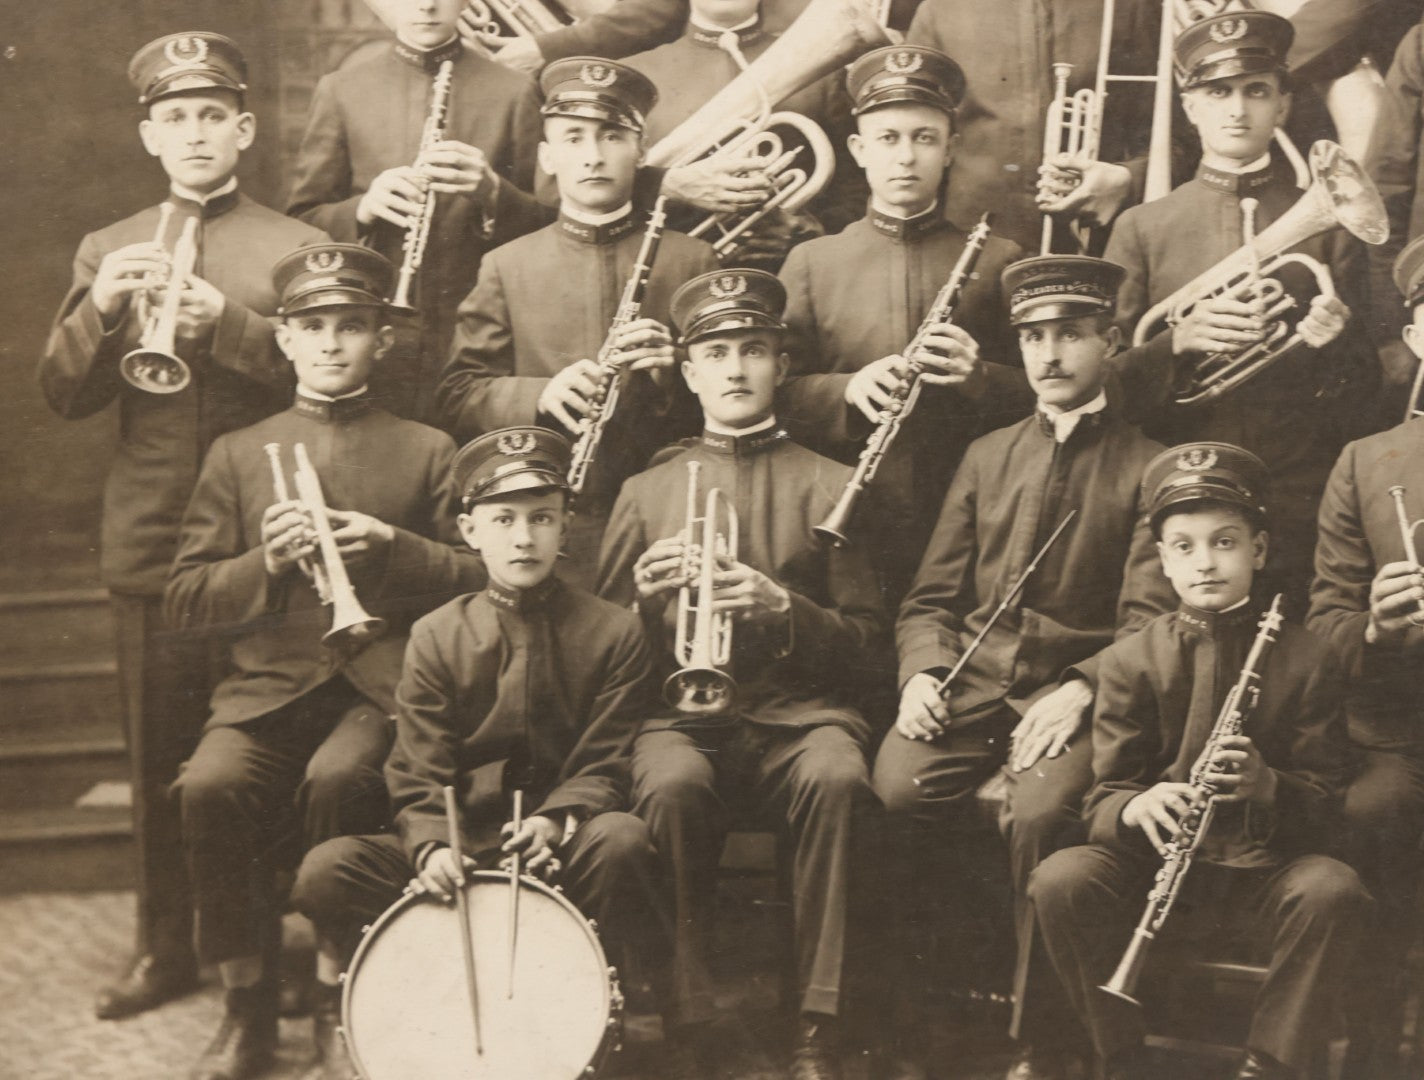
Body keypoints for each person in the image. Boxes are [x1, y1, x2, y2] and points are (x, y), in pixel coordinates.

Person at [35, 31, 326, 1022]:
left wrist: (232, 330)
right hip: (153, 538)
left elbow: (332, 380)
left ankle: (274, 946)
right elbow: (63, 395)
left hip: (263, 532)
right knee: (160, 758)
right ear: (148, 136)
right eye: (175, 118)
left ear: (243, 129)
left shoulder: (292, 246)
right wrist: (103, 313)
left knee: (264, 751)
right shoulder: (107, 245)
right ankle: (166, 950)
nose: (195, 133)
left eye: (213, 115)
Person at [166, 244, 483, 1080]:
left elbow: (484, 575)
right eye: (313, 327)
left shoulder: (428, 447)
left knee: (343, 780)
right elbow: (185, 599)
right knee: (209, 785)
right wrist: (262, 565)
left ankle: (341, 997)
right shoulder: (239, 452)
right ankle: (247, 1007)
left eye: (352, 326)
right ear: (284, 341)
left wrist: (396, 548)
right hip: (266, 692)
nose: (333, 343)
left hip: (379, 691)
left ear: (383, 339)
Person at [881, 255, 1175, 1080]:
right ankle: (920, 1013)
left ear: (1110, 342)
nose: (1049, 356)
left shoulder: (1150, 464)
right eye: (1034, 338)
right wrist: (920, 676)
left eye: (1072, 336)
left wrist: (1082, 688)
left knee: (1043, 813)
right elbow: (931, 599)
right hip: (971, 691)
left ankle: (1040, 1041)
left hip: (1080, 698)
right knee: (896, 787)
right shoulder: (985, 454)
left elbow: (1150, 624)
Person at [291, 426, 662, 1080]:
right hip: (465, 840)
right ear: (470, 530)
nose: (524, 538)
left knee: (625, 839)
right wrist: (432, 844)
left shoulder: (613, 630)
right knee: (325, 871)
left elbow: (605, 758)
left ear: (564, 525)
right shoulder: (438, 635)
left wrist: (557, 818)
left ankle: (601, 1010)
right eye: (505, 519)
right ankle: (414, 1001)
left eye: (542, 518)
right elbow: (418, 763)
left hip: (553, 842)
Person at [597, 269, 887, 1080]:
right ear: (686, 372)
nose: (734, 369)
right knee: (671, 786)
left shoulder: (834, 484)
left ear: (781, 365)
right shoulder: (644, 488)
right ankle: (691, 1020)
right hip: (678, 717)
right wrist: (640, 603)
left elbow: (873, 648)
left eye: (752, 350)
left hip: (803, 717)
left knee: (838, 777)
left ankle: (818, 1027)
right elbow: (598, 654)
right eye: (715, 353)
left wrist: (782, 608)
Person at [1026, 443, 1371, 1080]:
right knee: (1061, 879)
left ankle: (1269, 1064)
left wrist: (1268, 785)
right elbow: (1104, 797)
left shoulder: (1308, 655)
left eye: (1225, 542)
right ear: (1162, 559)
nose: (1205, 563)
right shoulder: (1132, 658)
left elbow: (1327, 803)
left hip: (1262, 872)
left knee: (1332, 890)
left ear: (1259, 551)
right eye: (1183, 546)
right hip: (1156, 871)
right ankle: (1121, 1057)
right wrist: (1138, 804)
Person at [1105, 10, 1377, 617]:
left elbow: (1369, 390)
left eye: (1257, 91)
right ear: (1190, 107)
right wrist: (1176, 345)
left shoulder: (1328, 229)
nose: (1237, 109)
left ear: (1282, 106)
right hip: (1183, 505)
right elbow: (1109, 388)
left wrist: (1337, 340)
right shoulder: (1143, 228)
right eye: (1217, 92)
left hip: (1298, 491)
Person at [437, 58, 718, 586]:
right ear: (547, 155)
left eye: (612, 136)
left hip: (671, 511)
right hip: (555, 523)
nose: (592, 156)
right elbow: (457, 393)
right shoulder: (506, 264)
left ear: (640, 149)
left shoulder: (694, 260)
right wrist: (540, 395)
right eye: (573, 138)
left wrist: (672, 369)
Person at [778, 44, 1031, 604]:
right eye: (888, 139)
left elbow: (1044, 394)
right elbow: (777, 395)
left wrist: (978, 376)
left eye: (925, 138)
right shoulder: (812, 262)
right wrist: (847, 390)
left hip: (970, 510)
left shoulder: (998, 258)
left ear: (950, 150)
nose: (906, 158)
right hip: (847, 510)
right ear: (858, 150)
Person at [286, 0, 549, 419]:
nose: (426, 5)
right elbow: (301, 222)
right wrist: (362, 209)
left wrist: (493, 193)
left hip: (480, 337)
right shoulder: (342, 89)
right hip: (372, 338)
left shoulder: (514, 91)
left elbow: (550, 229)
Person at [1305, 232, 1424, 1080]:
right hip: (1399, 731)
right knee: (1368, 815)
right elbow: (1327, 628)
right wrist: (1380, 628)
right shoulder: (1365, 461)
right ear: (1416, 332)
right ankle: (1374, 1052)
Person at [904, 0, 1164, 253]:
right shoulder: (939, 9)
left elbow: (1179, 138)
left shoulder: (1129, 6)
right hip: (968, 251)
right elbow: (910, 139)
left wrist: (1128, 180)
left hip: (1098, 247)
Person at [622, 0, 866, 258]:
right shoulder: (635, 75)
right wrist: (666, 184)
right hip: (670, 273)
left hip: (791, 276)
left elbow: (857, 192)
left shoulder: (826, 74)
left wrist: (815, 231)